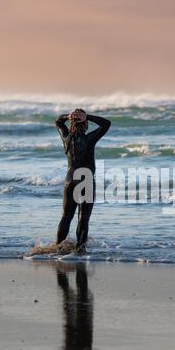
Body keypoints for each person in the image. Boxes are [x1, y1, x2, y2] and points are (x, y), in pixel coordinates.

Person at [56, 108, 111, 253]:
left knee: (66, 216)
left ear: (72, 123)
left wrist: (67, 116)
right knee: (83, 218)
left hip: (70, 180)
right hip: (85, 180)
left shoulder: (66, 138)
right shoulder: (89, 139)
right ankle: (80, 250)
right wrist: (88, 116)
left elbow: (58, 121)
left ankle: (58, 247)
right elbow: (106, 124)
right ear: (85, 123)